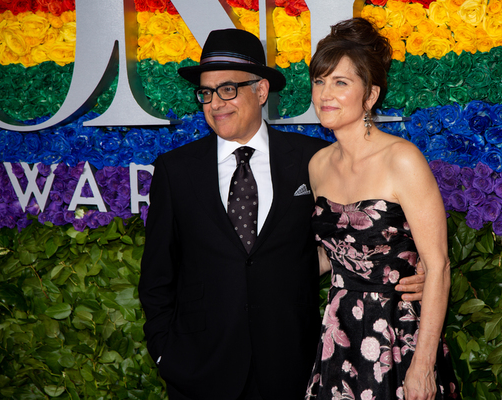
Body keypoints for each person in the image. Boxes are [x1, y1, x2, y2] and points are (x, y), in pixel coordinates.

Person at [139, 27, 426, 400]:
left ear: (260, 91)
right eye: (206, 93)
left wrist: (407, 272)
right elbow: (157, 276)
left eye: (228, 89)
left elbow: (354, 235)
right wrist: (166, 354)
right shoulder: (175, 170)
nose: (215, 102)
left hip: (295, 367)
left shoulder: (315, 159)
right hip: (199, 371)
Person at [304, 18, 460, 400]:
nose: (325, 93)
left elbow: (437, 265)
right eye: (320, 81)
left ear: (370, 95)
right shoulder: (318, 165)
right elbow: (331, 254)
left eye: (341, 83)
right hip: (338, 335)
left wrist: (422, 365)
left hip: (398, 334)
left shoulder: (402, 160)